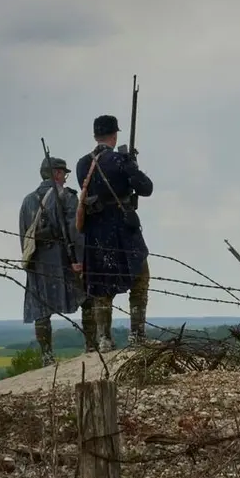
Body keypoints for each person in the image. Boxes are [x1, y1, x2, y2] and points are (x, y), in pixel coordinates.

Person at [75, 114, 154, 352]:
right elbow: (146, 188)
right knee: (140, 278)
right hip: (122, 229)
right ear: (114, 134)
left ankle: (104, 338)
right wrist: (132, 166)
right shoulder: (120, 160)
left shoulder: (81, 164)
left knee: (101, 287)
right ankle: (137, 335)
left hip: (96, 232)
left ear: (96, 135)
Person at [19, 157, 96, 364]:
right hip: (64, 261)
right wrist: (80, 260)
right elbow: (76, 231)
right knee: (87, 299)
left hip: (38, 263)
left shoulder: (27, 201)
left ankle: (47, 356)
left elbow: (24, 238)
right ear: (56, 174)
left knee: (41, 310)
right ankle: (91, 346)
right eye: (63, 173)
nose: (64, 177)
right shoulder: (67, 197)